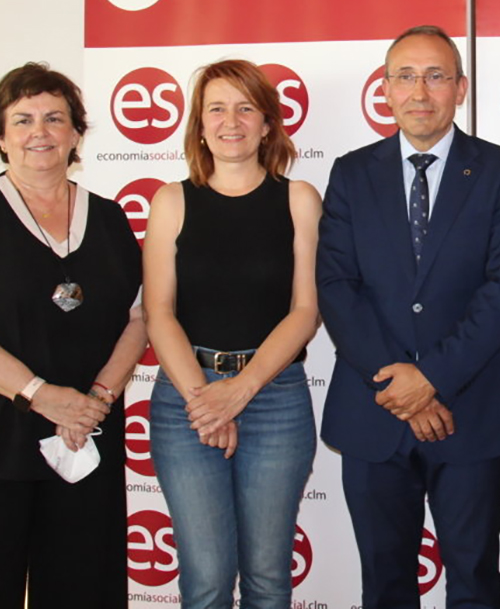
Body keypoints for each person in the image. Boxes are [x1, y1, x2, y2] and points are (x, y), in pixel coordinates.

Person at [317, 25, 500, 609]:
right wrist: (398, 381)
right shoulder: (350, 173)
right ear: (385, 90)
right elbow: (337, 286)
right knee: (385, 584)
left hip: (472, 409)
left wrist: (430, 379)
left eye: (436, 76)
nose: (421, 91)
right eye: (406, 76)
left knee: (473, 580)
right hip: (374, 411)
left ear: (460, 88)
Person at [0, 62, 145, 609]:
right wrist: (44, 396)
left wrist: (97, 399)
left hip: (83, 436)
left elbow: (139, 319)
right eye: (22, 120)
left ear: (76, 134)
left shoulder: (110, 220)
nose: (39, 132)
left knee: (83, 584)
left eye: (54, 118)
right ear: (1, 136)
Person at [144, 60, 321, 609]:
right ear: (199, 124)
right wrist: (205, 400)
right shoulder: (170, 202)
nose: (231, 121)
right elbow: (159, 312)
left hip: (275, 400)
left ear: (268, 123)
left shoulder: (299, 200)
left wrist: (238, 391)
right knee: (206, 581)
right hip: (185, 401)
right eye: (216, 108)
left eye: (246, 108)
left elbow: (305, 311)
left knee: (269, 580)